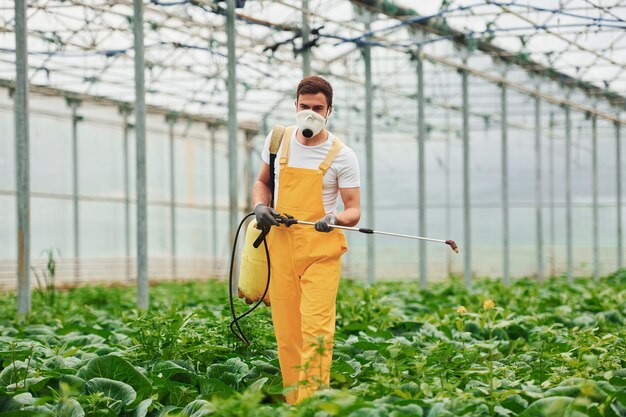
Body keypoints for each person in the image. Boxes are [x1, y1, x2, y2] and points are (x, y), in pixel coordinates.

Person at [251, 76, 361, 404]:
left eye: (317, 108)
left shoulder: (342, 155)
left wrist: (335, 218)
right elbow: (262, 182)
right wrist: (260, 206)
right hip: (281, 247)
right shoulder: (277, 141)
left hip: (320, 250)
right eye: (304, 107)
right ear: (295, 106)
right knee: (288, 333)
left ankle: (312, 405)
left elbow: (353, 210)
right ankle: (293, 403)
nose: (309, 113)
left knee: (316, 331)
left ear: (329, 111)